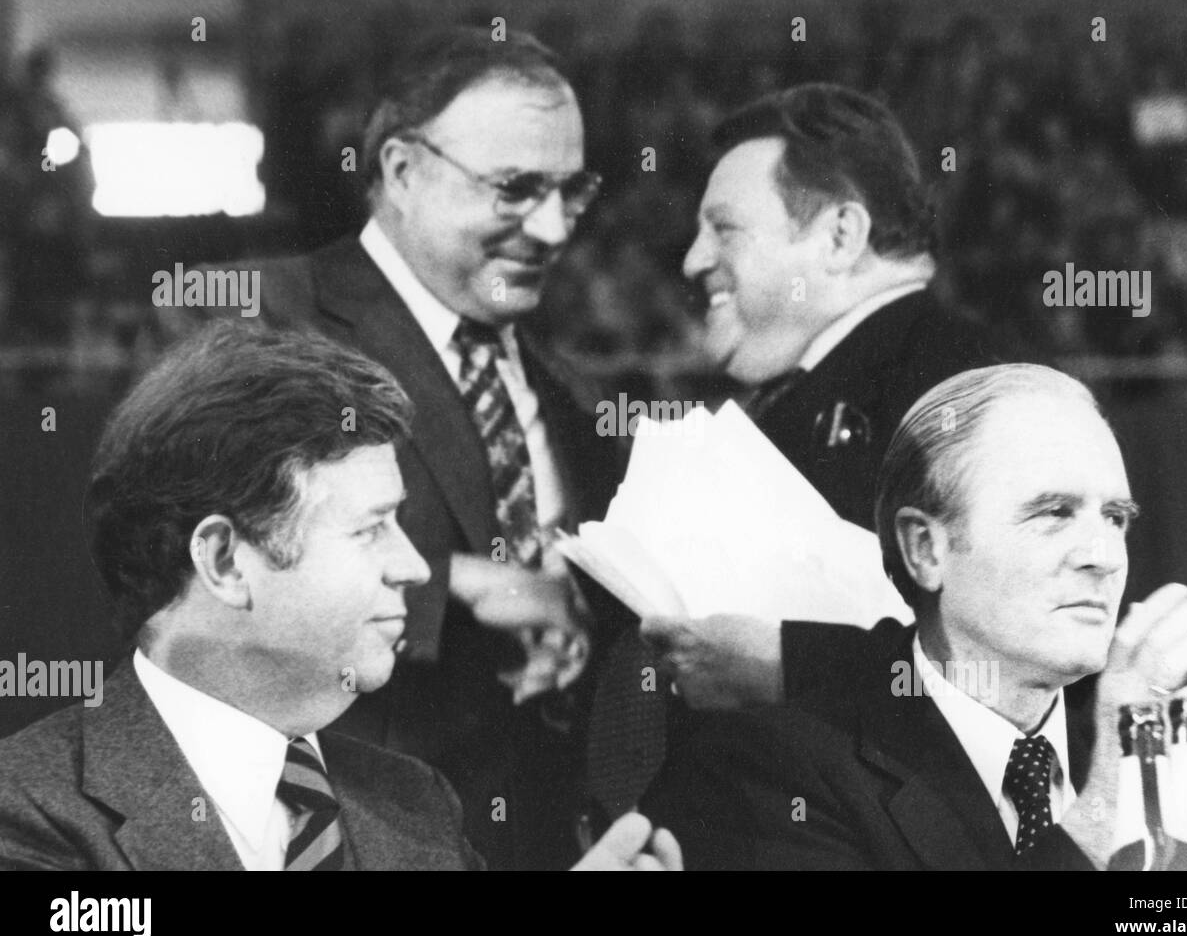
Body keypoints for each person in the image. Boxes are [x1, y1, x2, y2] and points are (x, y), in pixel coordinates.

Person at [156, 28, 624, 869]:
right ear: (403, 172)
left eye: (570, 191)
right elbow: (192, 569)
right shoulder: (256, 314)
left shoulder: (569, 389)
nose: (553, 229)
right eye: (516, 188)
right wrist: (458, 585)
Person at [0, 325, 679, 872]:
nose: (414, 567)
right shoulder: (28, 812)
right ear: (225, 561)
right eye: (370, 529)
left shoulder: (417, 803)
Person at [640, 364, 1187, 869]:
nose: (1102, 557)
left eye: (1115, 517)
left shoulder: (1161, 754)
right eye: (1054, 513)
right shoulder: (773, 775)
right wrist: (1105, 812)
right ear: (926, 550)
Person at [633, 83, 1005, 713]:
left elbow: (1004, 657)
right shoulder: (846, 376)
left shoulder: (953, 388)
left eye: (724, 229)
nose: (695, 260)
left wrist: (785, 669)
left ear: (839, 237)